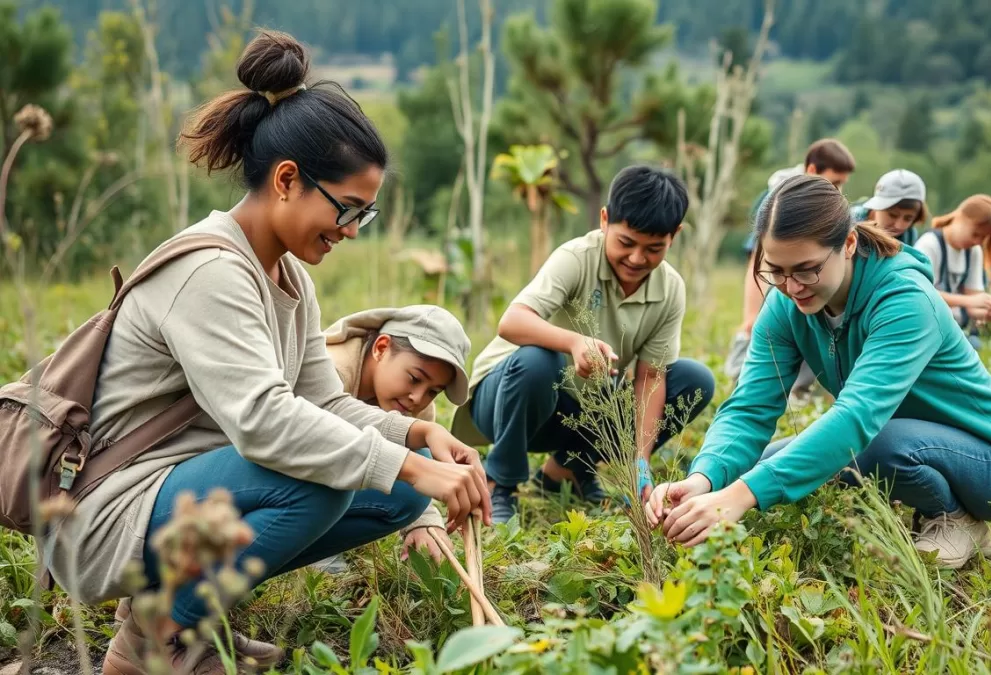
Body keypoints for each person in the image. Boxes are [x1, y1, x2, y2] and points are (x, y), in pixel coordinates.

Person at [49, 31, 491, 675]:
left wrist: (418, 433)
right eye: (347, 210)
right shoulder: (211, 270)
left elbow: (326, 404)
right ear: (287, 180)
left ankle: (188, 617)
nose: (349, 232)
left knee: (392, 487)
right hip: (109, 510)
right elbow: (263, 423)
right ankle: (159, 634)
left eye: (363, 216)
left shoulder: (290, 279)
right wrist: (409, 464)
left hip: (178, 495)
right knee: (324, 482)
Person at [646, 174, 991, 570]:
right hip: (893, 436)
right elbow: (750, 408)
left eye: (806, 269)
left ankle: (955, 516)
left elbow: (856, 418)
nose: (791, 286)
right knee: (750, 470)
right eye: (776, 270)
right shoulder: (785, 303)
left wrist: (740, 497)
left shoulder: (906, 300)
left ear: (849, 243)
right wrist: (706, 480)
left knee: (865, 445)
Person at [450, 166, 716, 525]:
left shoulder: (670, 289)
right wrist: (573, 341)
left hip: (578, 411)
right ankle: (501, 483)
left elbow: (650, 378)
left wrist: (640, 461)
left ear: (675, 236)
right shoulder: (576, 257)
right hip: (507, 400)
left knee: (693, 380)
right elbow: (511, 322)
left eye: (654, 248)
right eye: (626, 242)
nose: (637, 258)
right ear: (605, 220)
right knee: (537, 361)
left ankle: (565, 471)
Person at [309, 305, 473, 573]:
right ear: (381, 348)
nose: (418, 398)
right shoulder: (331, 369)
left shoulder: (412, 404)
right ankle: (308, 545)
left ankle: (320, 540)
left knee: (413, 486)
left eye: (433, 391)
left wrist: (424, 521)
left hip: (338, 477)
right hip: (282, 476)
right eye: (414, 378)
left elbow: (421, 464)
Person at [724, 139, 857, 394]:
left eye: (842, 184)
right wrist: (752, 313)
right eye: (834, 182)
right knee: (756, 338)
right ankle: (737, 379)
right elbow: (756, 263)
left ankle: (798, 392)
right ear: (812, 171)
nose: (838, 191)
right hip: (772, 297)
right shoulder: (777, 203)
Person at [915, 195, 991, 350]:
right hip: (926, 331)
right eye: (975, 234)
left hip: (956, 331)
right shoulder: (930, 244)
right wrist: (968, 301)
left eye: (983, 238)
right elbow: (921, 294)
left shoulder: (973, 251)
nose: (977, 242)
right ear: (960, 217)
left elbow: (973, 306)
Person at [849, 169, 928, 246]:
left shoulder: (909, 234)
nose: (899, 226)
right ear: (876, 207)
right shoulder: (850, 223)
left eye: (908, 219)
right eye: (892, 215)